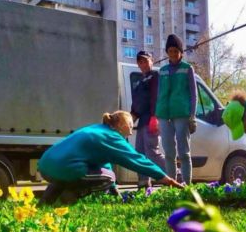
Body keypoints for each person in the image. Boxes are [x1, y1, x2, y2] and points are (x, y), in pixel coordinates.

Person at [38, 111, 183, 205]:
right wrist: (167, 179)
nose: (131, 133)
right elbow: (138, 161)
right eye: (130, 127)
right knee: (110, 177)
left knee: (65, 173)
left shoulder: (99, 129)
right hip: (65, 168)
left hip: (45, 166)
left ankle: (45, 202)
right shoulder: (112, 137)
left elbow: (104, 164)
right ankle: (69, 196)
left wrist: (115, 192)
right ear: (120, 124)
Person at [156, 34, 198, 184]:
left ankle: (187, 185)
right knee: (168, 152)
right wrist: (157, 115)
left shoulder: (187, 69)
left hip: (181, 114)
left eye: (176, 50)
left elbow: (194, 94)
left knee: (184, 153)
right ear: (167, 52)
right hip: (164, 115)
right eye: (170, 50)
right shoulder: (163, 70)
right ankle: (172, 185)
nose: (173, 54)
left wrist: (192, 116)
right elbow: (160, 93)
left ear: (181, 51)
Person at [129, 51, 165, 188]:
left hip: (152, 121)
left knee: (152, 153)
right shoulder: (139, 82)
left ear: (152, 61)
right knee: (140, 154)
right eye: (140, 62)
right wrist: (129, 120)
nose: (143, 64)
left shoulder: (155, 76)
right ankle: (144, 184)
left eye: (145, 61)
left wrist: (155, 117)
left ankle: (176, 177)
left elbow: (156, 98)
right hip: (141, 123)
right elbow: (136, 106)